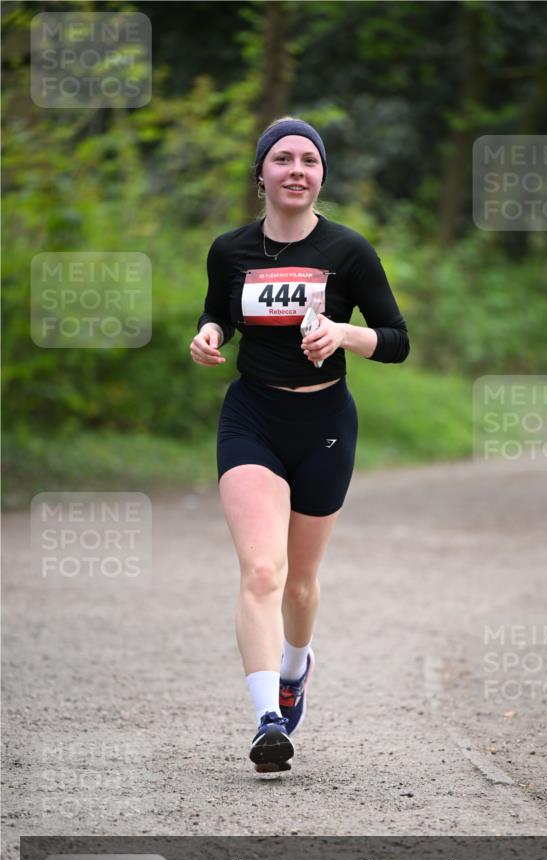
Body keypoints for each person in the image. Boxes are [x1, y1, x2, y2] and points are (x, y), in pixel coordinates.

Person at [190, 117, 409, 773]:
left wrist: (344, 335)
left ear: (320, 177)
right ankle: (265, 719)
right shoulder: (230, 250)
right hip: (251, 417)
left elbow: (396, 341)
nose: (294, 169)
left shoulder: (347, 251)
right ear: (261, 174)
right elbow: (217, 311)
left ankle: (293, 669)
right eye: (281, 158)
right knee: (262, 570)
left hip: (324, 427)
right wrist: (207, 335)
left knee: (301, 586)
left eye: (307, 160)